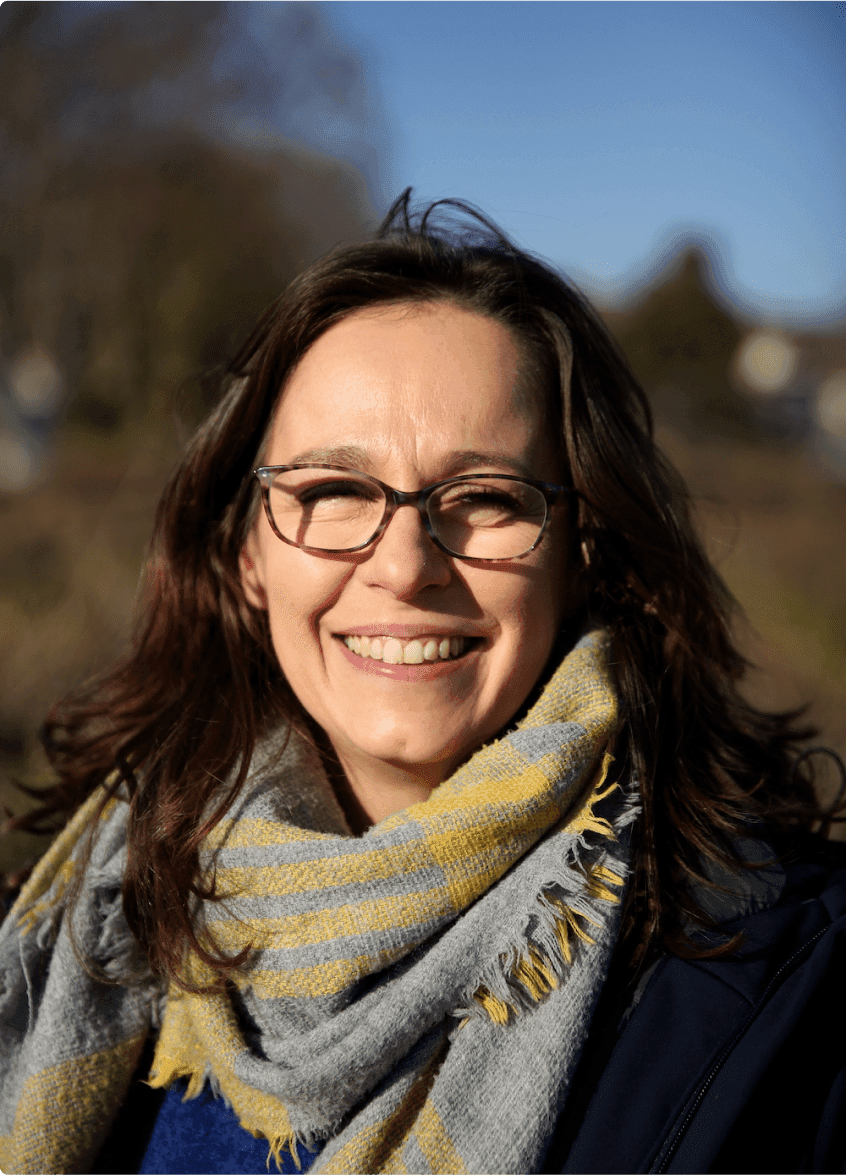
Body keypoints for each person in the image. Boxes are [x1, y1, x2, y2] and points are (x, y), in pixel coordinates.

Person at [1, 191, 844, 1175]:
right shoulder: (94, 910)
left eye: (483, 496)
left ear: (583, 551)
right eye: (333, 488)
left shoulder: (794, 997)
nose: (405, 565)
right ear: (247, 553)